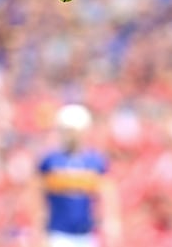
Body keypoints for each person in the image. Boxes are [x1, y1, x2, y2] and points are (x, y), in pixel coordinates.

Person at [33, 103, 121, 247]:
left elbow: (108, 193)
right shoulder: (50, 160)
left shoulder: (95, 161)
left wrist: (111, 221)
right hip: (57, 232)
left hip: (85, 233)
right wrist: (39, 226)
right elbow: (36, 195)